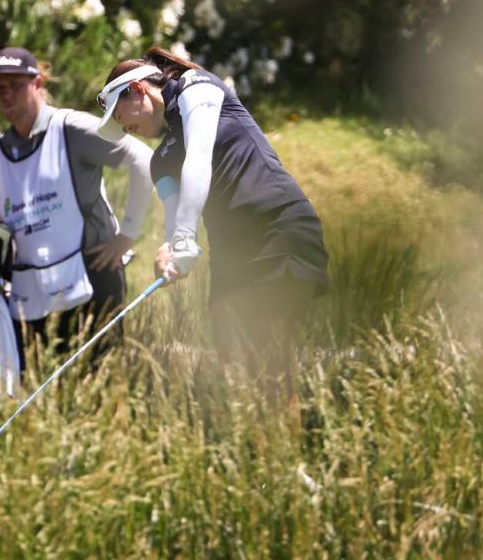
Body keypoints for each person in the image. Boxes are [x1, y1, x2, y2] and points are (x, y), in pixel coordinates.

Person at [95, 46, 329, 405]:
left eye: (120, 115)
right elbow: (175, 217)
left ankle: (287, 452)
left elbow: (200, 159)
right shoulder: (160, 161)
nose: (124, 128)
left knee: (271, 370)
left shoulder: (196, 87)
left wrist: (186, 238)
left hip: (278, 229)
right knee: (235, 373)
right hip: (232, 255)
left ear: (139, 90)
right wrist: (171, 246)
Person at [0, 47, 154, 368]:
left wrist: (128, 234)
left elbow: (142, 159)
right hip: (35, 291)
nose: (6, 95)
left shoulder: (70, 127)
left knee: (102, 384)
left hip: (93, 277)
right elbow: (3, 215)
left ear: (38, 82)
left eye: (15, 85)